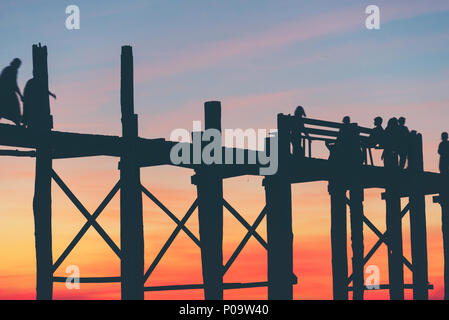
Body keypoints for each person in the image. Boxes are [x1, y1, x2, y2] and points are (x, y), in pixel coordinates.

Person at [0, 58, 23, 126]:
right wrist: (20, 95)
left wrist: (20, 95)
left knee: (9, 109)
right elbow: (13, 84)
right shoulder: (10, 70)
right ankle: (18, 123)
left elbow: (14, 84)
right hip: (6, 93)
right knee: (13, 108)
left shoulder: (12, 70)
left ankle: (17, 122)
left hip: (7, 93)